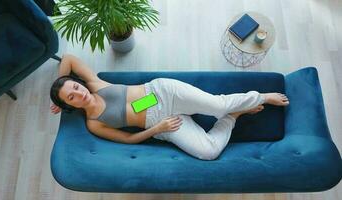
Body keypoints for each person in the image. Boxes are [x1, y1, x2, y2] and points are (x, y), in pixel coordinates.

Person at [50, 54, 289, 160]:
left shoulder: (94, 83)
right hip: (161, 125)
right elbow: (127, 139)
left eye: (74, 88)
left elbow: (69, 58)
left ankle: (261, 97)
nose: (78, 94)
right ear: (70, 105)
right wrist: (157, 129)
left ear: (79, 83)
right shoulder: (94, 123)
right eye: (70, 98)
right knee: (209, 153)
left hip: (160, 95)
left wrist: (56, 94)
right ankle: (235, 114)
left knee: (217, 105)